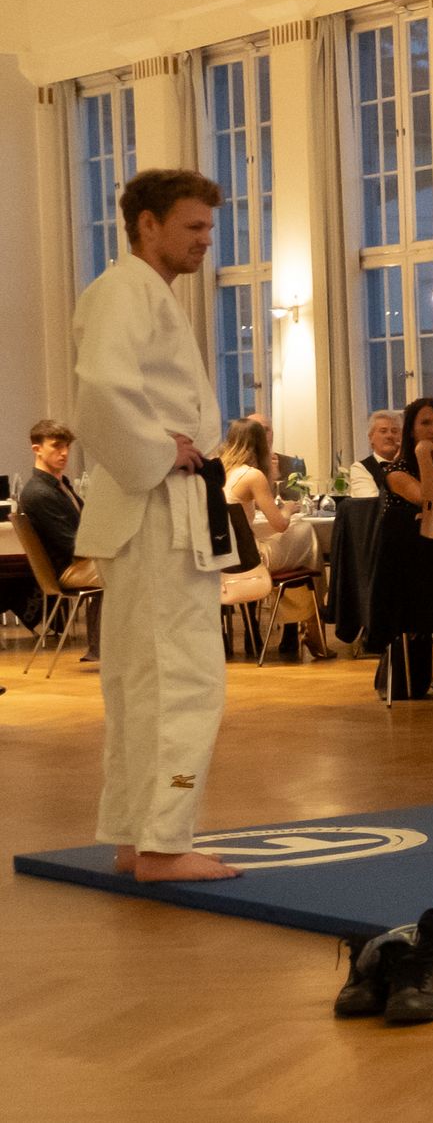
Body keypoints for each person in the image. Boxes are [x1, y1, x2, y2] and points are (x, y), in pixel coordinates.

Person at [71, 168, 236, 883]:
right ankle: (165, 843)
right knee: (182, 680)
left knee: (142, 682)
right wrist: (159, 449)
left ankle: (135, 837)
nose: (206, 240)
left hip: (156, 507)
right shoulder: (124, 290)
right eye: (193, 226)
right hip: (156, 505)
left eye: (208, 227)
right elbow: (101, 390)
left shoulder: (143, 293)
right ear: (148, 224)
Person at [369, 397, 433, 700]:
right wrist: (423, 455)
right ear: (411, 430)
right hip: (412, 569)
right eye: (425, 423)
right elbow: (429, 499)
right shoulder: (395, 471)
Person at [216, 417, 331, 661]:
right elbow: (279, 523)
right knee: (306, 536)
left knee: (301, 540)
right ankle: (311, 624)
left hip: (224, 560)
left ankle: (305, 626)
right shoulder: (252, 475)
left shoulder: (221, 471)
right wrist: (288, 508)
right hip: (252, 561)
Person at [21, 419, 102, 663]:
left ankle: (109, 648)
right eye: (56, 446)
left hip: (78, 563)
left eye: (66, 446)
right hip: (69, 569)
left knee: (131, 565)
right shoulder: (39, 492)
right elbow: (72, 545)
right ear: (37, 449)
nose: (64, 452)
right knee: (125, 569)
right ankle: (105, 649)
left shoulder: (59, 485)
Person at [346, 410, 400, 498]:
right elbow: (371, 501)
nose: (389, 436)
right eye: (383, 431)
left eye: (394, 431)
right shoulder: (360, 468)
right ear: (371, 437)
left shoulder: (411, 465)